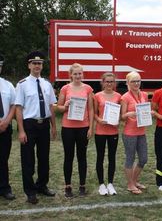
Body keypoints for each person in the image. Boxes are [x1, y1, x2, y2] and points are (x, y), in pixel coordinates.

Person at [15, 51, 57, 204]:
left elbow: (51, 106)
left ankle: (42, 185)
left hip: (44, 124)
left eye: (40, 63)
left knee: (44, 158)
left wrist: (53, 126)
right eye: (34, 63)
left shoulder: (47, 84)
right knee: (28, 159)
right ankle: (30, 191)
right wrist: (21, 130)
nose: (37, 66)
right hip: (29, 125)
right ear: (29, 65)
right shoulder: (22, 84)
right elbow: (18, 108)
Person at [57, 63, 94, 198]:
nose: (78, 76)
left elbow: (90, 109)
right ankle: (68, 186)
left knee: (82, 157)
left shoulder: (88, 89)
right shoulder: (65, 88)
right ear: (70, 75)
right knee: (69, 157)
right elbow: (58, 107)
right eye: (75, 74)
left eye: (80, 73)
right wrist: (65, 106)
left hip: (83, 127)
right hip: (68, 127)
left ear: (82, 74)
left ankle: (82, 185)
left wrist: (91, 127)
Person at [121, 71, 148, 194]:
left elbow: (145, 110)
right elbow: (122, 116)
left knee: (143, 158)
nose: (136, 83)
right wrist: (128, 114)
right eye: (133, 81)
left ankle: (134, 180)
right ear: (128, 83)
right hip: (129, 132)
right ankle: (130, 184)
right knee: (130, 159)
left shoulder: (144, 94)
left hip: (141, 131)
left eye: (138, 81)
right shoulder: (125, 97)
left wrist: (150, 113)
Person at [94, 73, 121, 195]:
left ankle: (110, 183)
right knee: (100, 157)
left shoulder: (118, 96)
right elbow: (93, 113)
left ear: (114, 83)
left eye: (111, 82)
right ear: (103, 83)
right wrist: (99, 120)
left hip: (113, 131)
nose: (109, 84)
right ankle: (101, 184)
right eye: (107, 82)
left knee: (112, 157)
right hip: (100, 131)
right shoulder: (97, 96)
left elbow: (120, 114)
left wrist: (117, 121)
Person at [0, 54, 16, 200]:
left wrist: (6, 122)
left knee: (3, 159)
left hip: (4, 128)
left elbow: (13, 105)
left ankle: (5, 188)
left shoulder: (8, 85)